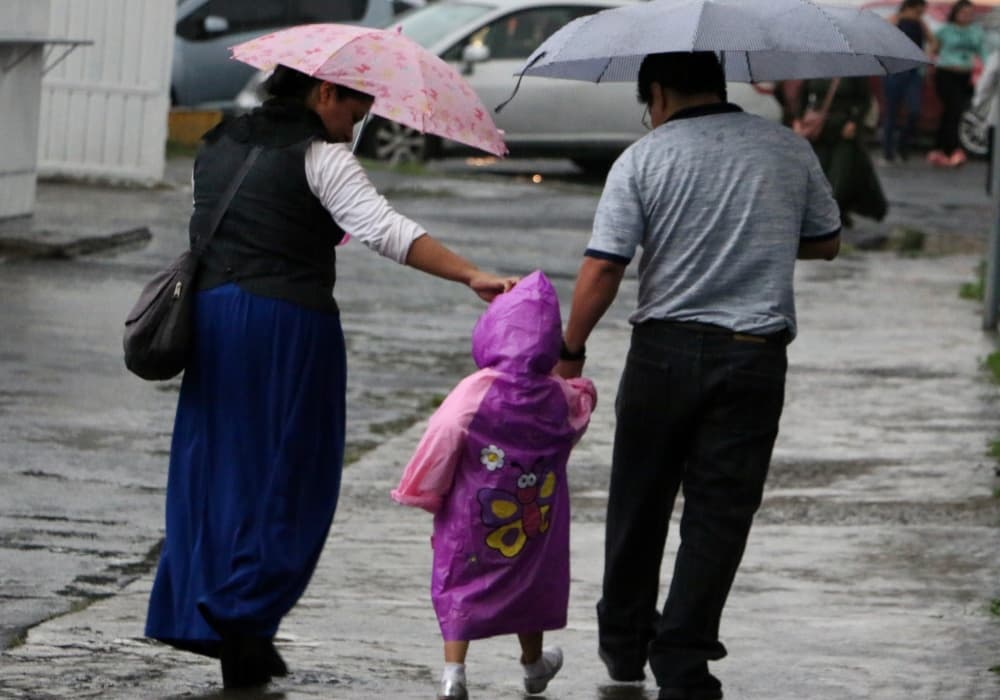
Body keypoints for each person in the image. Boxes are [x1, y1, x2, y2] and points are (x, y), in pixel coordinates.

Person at [144, 65, 517, 689]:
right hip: (286, 325)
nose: (356, 126)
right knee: (296, 475)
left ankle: (226, 617)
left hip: (212, 320)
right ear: (325, 94)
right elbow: (384, 229)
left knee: (216, 472)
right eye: (356, 110)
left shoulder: (215, 143)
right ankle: (243, 616)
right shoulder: (320, 155)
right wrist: (470, 273)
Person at [554, 51, 840, 700]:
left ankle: (625, 647)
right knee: (719, 514)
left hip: (664, 355)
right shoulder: (787, 150)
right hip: (753, 355)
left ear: (656, 92)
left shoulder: (645, 157)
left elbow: (604, 265)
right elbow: (826, 240)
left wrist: (570, 347)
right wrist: (757, 232)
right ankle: (683, 662)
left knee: (640, 502)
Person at [391, 270, 596, 700]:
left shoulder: (477, 390)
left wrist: (426, 487)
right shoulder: (557, 395)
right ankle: (533, 665)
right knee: (530, 580)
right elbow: (579, 414)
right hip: (532, 518)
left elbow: (444, 434)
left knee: (458, 582)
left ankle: (454, 673)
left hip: (472, 510)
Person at [799, 76, 888, 228]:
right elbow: (802, 95)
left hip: (844, 132)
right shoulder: (814, 66)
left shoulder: (854, 70)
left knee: (839, 175)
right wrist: (798, 118)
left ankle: (827, 219)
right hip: (820, 131)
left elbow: (865, 100)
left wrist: (854, 121)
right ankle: (834, 213)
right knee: (819, 174)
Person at [928, 0, 986, 167]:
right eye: (963, 13)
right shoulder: (944, 31)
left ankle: (938, 149)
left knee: (951, 112)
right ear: (955, 13)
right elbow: (932, 50)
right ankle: (953, 150)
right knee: (954, 108)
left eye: (970, 13)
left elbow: (983, 53)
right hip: (946, 73)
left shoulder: (976, 32)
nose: (966, 16)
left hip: (965, 75)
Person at [881, 0, 938, 163]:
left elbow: (932, 41)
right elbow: (882, 39)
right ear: (911, 7)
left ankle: (903, 143)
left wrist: (927, 54)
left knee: (914, 110)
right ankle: (888, 151)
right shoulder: (895, 19)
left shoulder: (920, 23)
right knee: (891, 112)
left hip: (913, 72)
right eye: (920, 10)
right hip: (895, 70)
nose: (921, 13)